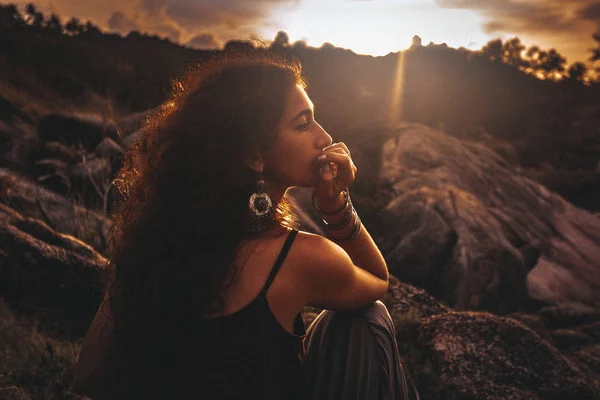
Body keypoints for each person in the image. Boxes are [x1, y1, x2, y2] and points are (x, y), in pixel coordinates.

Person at [73, 51, 409, 399]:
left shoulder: (156, 240)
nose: (324, 138)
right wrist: (335, 205)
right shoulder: (302, 257)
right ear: (254, 154)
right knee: (368, 322)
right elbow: (377, 279)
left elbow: (87, 375)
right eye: (303, 124)